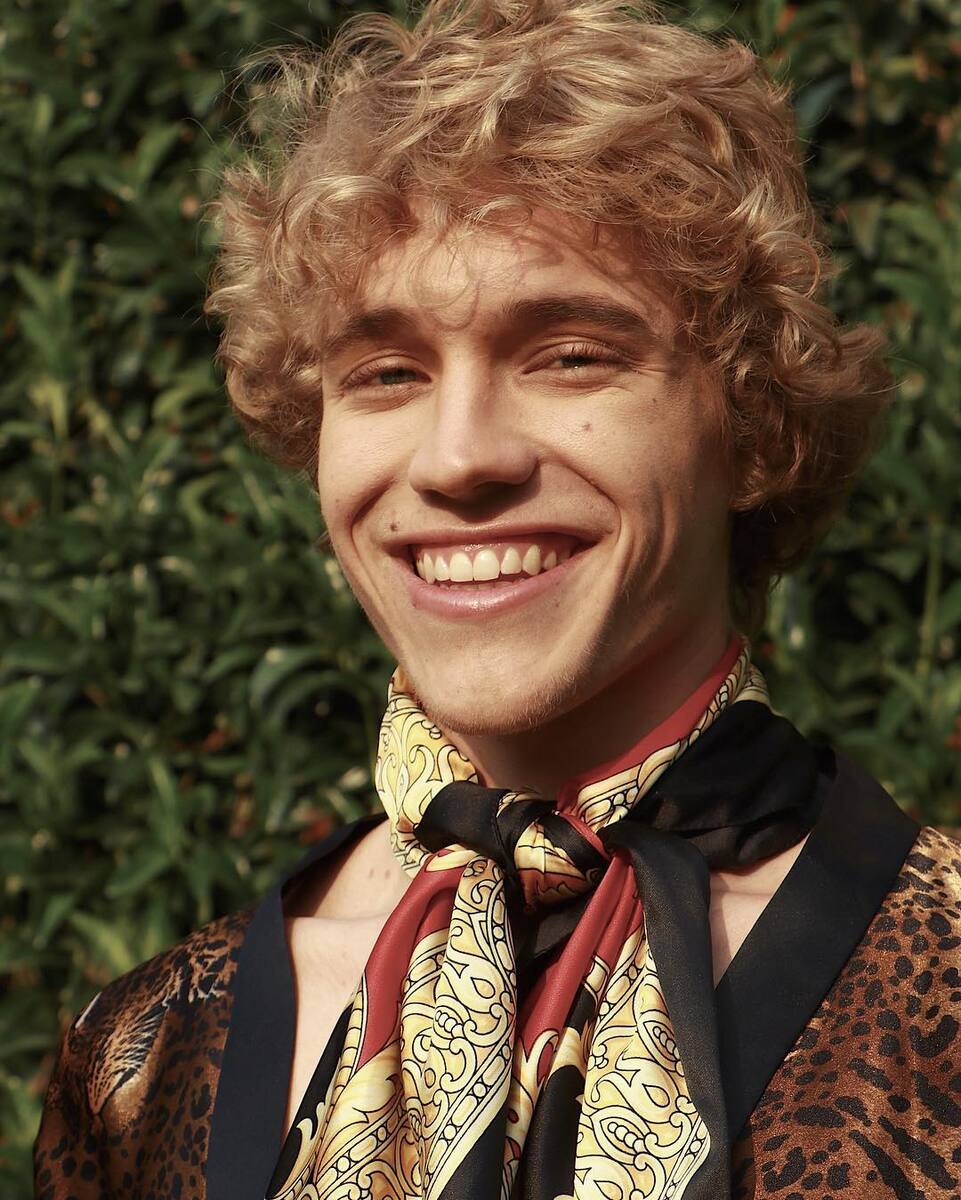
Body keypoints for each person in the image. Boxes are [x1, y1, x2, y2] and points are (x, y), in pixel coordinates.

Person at [34, 1, 961, 1197]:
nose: (458, 457)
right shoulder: (142, 1059)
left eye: (570, 354)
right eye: (385, 373)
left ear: (751, 426)